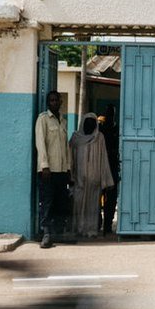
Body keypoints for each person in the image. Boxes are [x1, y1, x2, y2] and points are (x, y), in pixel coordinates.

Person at [34, 91, 71, 249]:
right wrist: (44, 165)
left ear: (61, 102)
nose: (54, 102)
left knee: (60, 202)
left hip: (61, 171)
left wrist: (68, 168)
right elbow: (40, 143)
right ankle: (46, 234)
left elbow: (65, 148)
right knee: (47, 202)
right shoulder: (43, 119)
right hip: (48, 170)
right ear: (48, 103)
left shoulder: (63, 121)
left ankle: (57, 233)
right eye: (51, 100)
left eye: (56, 100)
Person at [70, 112, 114, 240]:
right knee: (78, 205)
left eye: (92, 123)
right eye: (87, 122)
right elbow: (70, 159)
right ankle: (79, 229)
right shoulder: (75, 138)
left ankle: (91, 230)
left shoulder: (99, 138)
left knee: (93, 207)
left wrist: (106, 181)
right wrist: (70, 175)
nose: (89, 125)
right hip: (79, 180)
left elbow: (104, 159)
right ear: (83, 123)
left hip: (95, 180)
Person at [99, 104, 120, 235]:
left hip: (111, 167)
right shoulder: (101, 131)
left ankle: (107, 224)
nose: (110, 115)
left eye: (111, 113)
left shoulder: (115, 129)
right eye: (109, 113)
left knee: (110, 199)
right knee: (99, 197)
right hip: (101, 167)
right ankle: (100, 223)